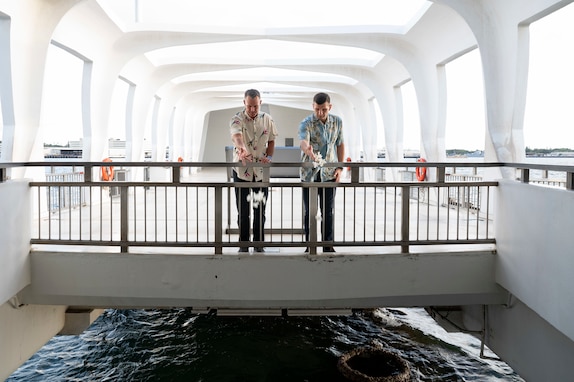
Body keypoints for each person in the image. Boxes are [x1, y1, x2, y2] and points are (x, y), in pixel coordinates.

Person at [230, 89, 278, 253]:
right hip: (242, 171)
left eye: (255, 106)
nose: (252, 110)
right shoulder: (237, 118)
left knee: (259, 211)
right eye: (249, 106)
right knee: (243, 211)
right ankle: (243, 245)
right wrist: (242, 149)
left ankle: (259, 244)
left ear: (260, 103)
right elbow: (236, 136)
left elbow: (271, 141)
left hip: (261, 172)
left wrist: (269, 157)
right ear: (244, 103)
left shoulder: (268, 119)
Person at [299, 92, 345, 253]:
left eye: (324, 110)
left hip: (329, 173)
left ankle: (328, 245)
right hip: (309, 174)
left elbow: (340, 144)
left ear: (329, 107)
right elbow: (303, 141)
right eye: (317, 109)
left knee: (328, 211)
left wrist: (340, 167)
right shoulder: (306, 123)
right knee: (309, 212)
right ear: (313, 106)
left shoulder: (337, 122)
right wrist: (308, 150)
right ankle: (309, 244)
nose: (320, 113)